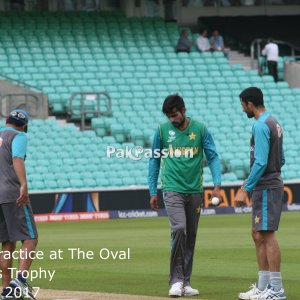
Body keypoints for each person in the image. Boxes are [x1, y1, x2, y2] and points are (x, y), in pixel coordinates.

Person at [148, 94, 222, 297]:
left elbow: (213, 157)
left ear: (184, 110)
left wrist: (217, 185)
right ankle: (176, 280)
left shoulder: (200, 129)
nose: (172, 119)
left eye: (174, 115)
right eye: (169, 116)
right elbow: (154, 161)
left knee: (191, 236)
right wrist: (153, 190)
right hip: (171, 188)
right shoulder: (162, 131)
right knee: (179, 229)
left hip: (195, 190)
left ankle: (186, 282)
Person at [235, 87, 286, 300]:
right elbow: (280, 159)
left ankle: (276, 289)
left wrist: (245, 188)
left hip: (266, 186)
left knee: (266, 235)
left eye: (242, 105)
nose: (242, 109)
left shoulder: (259, 125)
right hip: (267, 184)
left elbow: (262, 160)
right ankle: (263, 286)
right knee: (257, 234)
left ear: (249, 104)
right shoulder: (274, 122)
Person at [0, 109, 38, 300]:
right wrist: (23, 184)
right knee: (30, 238)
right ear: (24, 125)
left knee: (7, 243)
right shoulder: (19, 136)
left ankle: (6, 290)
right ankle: (21, 280)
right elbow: (17, 159)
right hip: (12, 194)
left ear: (7, 120)